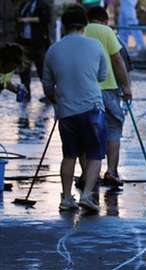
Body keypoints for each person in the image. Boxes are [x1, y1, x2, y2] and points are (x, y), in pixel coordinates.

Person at [42, 3, 108, 212]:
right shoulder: (95, 45)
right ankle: (87, 195)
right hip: (92, 108)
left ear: (64, 25)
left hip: (67, 112)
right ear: (85, 24)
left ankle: (66, 197)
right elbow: (102, 76)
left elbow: (47, 85)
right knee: (95, 154)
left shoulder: (53, 50)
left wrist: (57, 101)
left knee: (69, 155)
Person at [85, 6, 133, 187]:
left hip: (84, 90)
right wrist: (126, 86)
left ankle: (87, 175)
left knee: (87, 131)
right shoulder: (107, 31)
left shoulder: (81, 31)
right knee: (113, 130)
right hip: (108, 89)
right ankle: (111, 171)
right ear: (105, 20)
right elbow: (117, 60)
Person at [15, 0, 52, 102]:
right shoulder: (24, 4)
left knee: (42, 70)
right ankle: (26, 94)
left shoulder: (42, 4)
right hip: (24, 42)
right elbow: (18, 18)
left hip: (38, 42)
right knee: (24, 70)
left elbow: (46, 19)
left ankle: (48, 95)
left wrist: (28, 20)